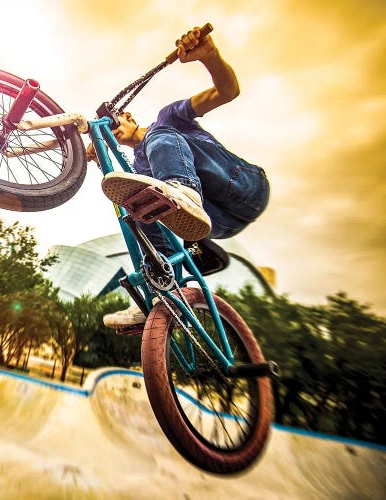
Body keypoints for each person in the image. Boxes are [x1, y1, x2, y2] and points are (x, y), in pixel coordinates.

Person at [90, 27, 270, 331]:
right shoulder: (140, 168)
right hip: (219, 221)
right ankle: (161, 287)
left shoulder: (168, 120)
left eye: (115, 120)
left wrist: (209, 57)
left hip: (244, 187)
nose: (113, 128)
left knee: (159, 133)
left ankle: (184, 190)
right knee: (140, 207)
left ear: (130, 117)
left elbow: (225, 92)